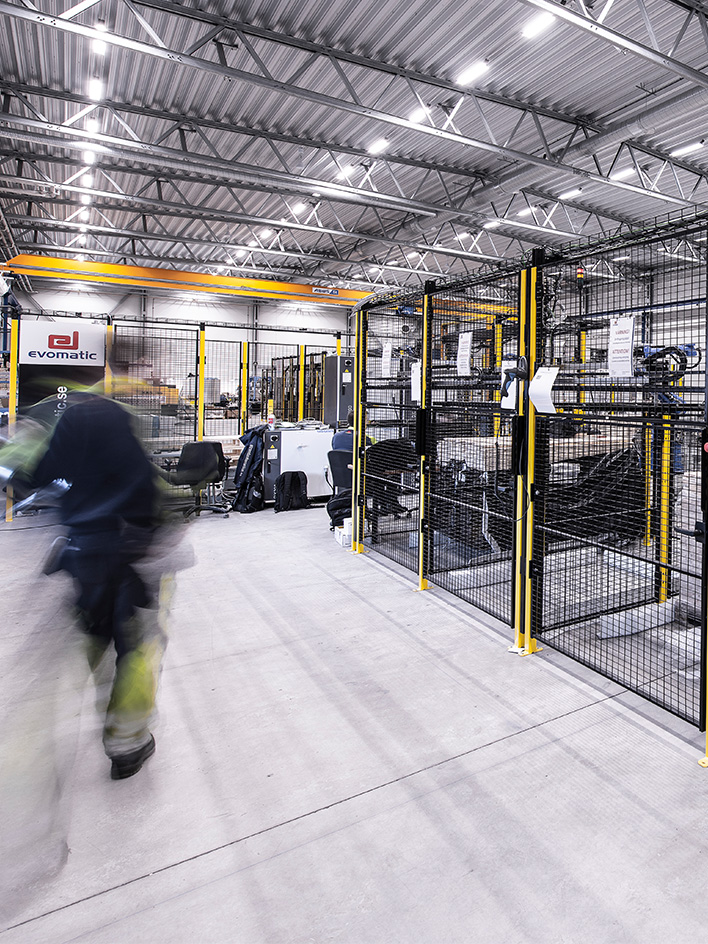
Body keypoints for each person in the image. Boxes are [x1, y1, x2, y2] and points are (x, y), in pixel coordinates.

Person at [29, 390, 168, 780]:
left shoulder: (69, 419)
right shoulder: (112, 416)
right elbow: (138, 479)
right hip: (117, 548)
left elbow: (41, 475)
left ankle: (112, 722)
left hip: (79, 549)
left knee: (97, 638)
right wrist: (150, 529)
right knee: (134, 646)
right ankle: (128, 744)